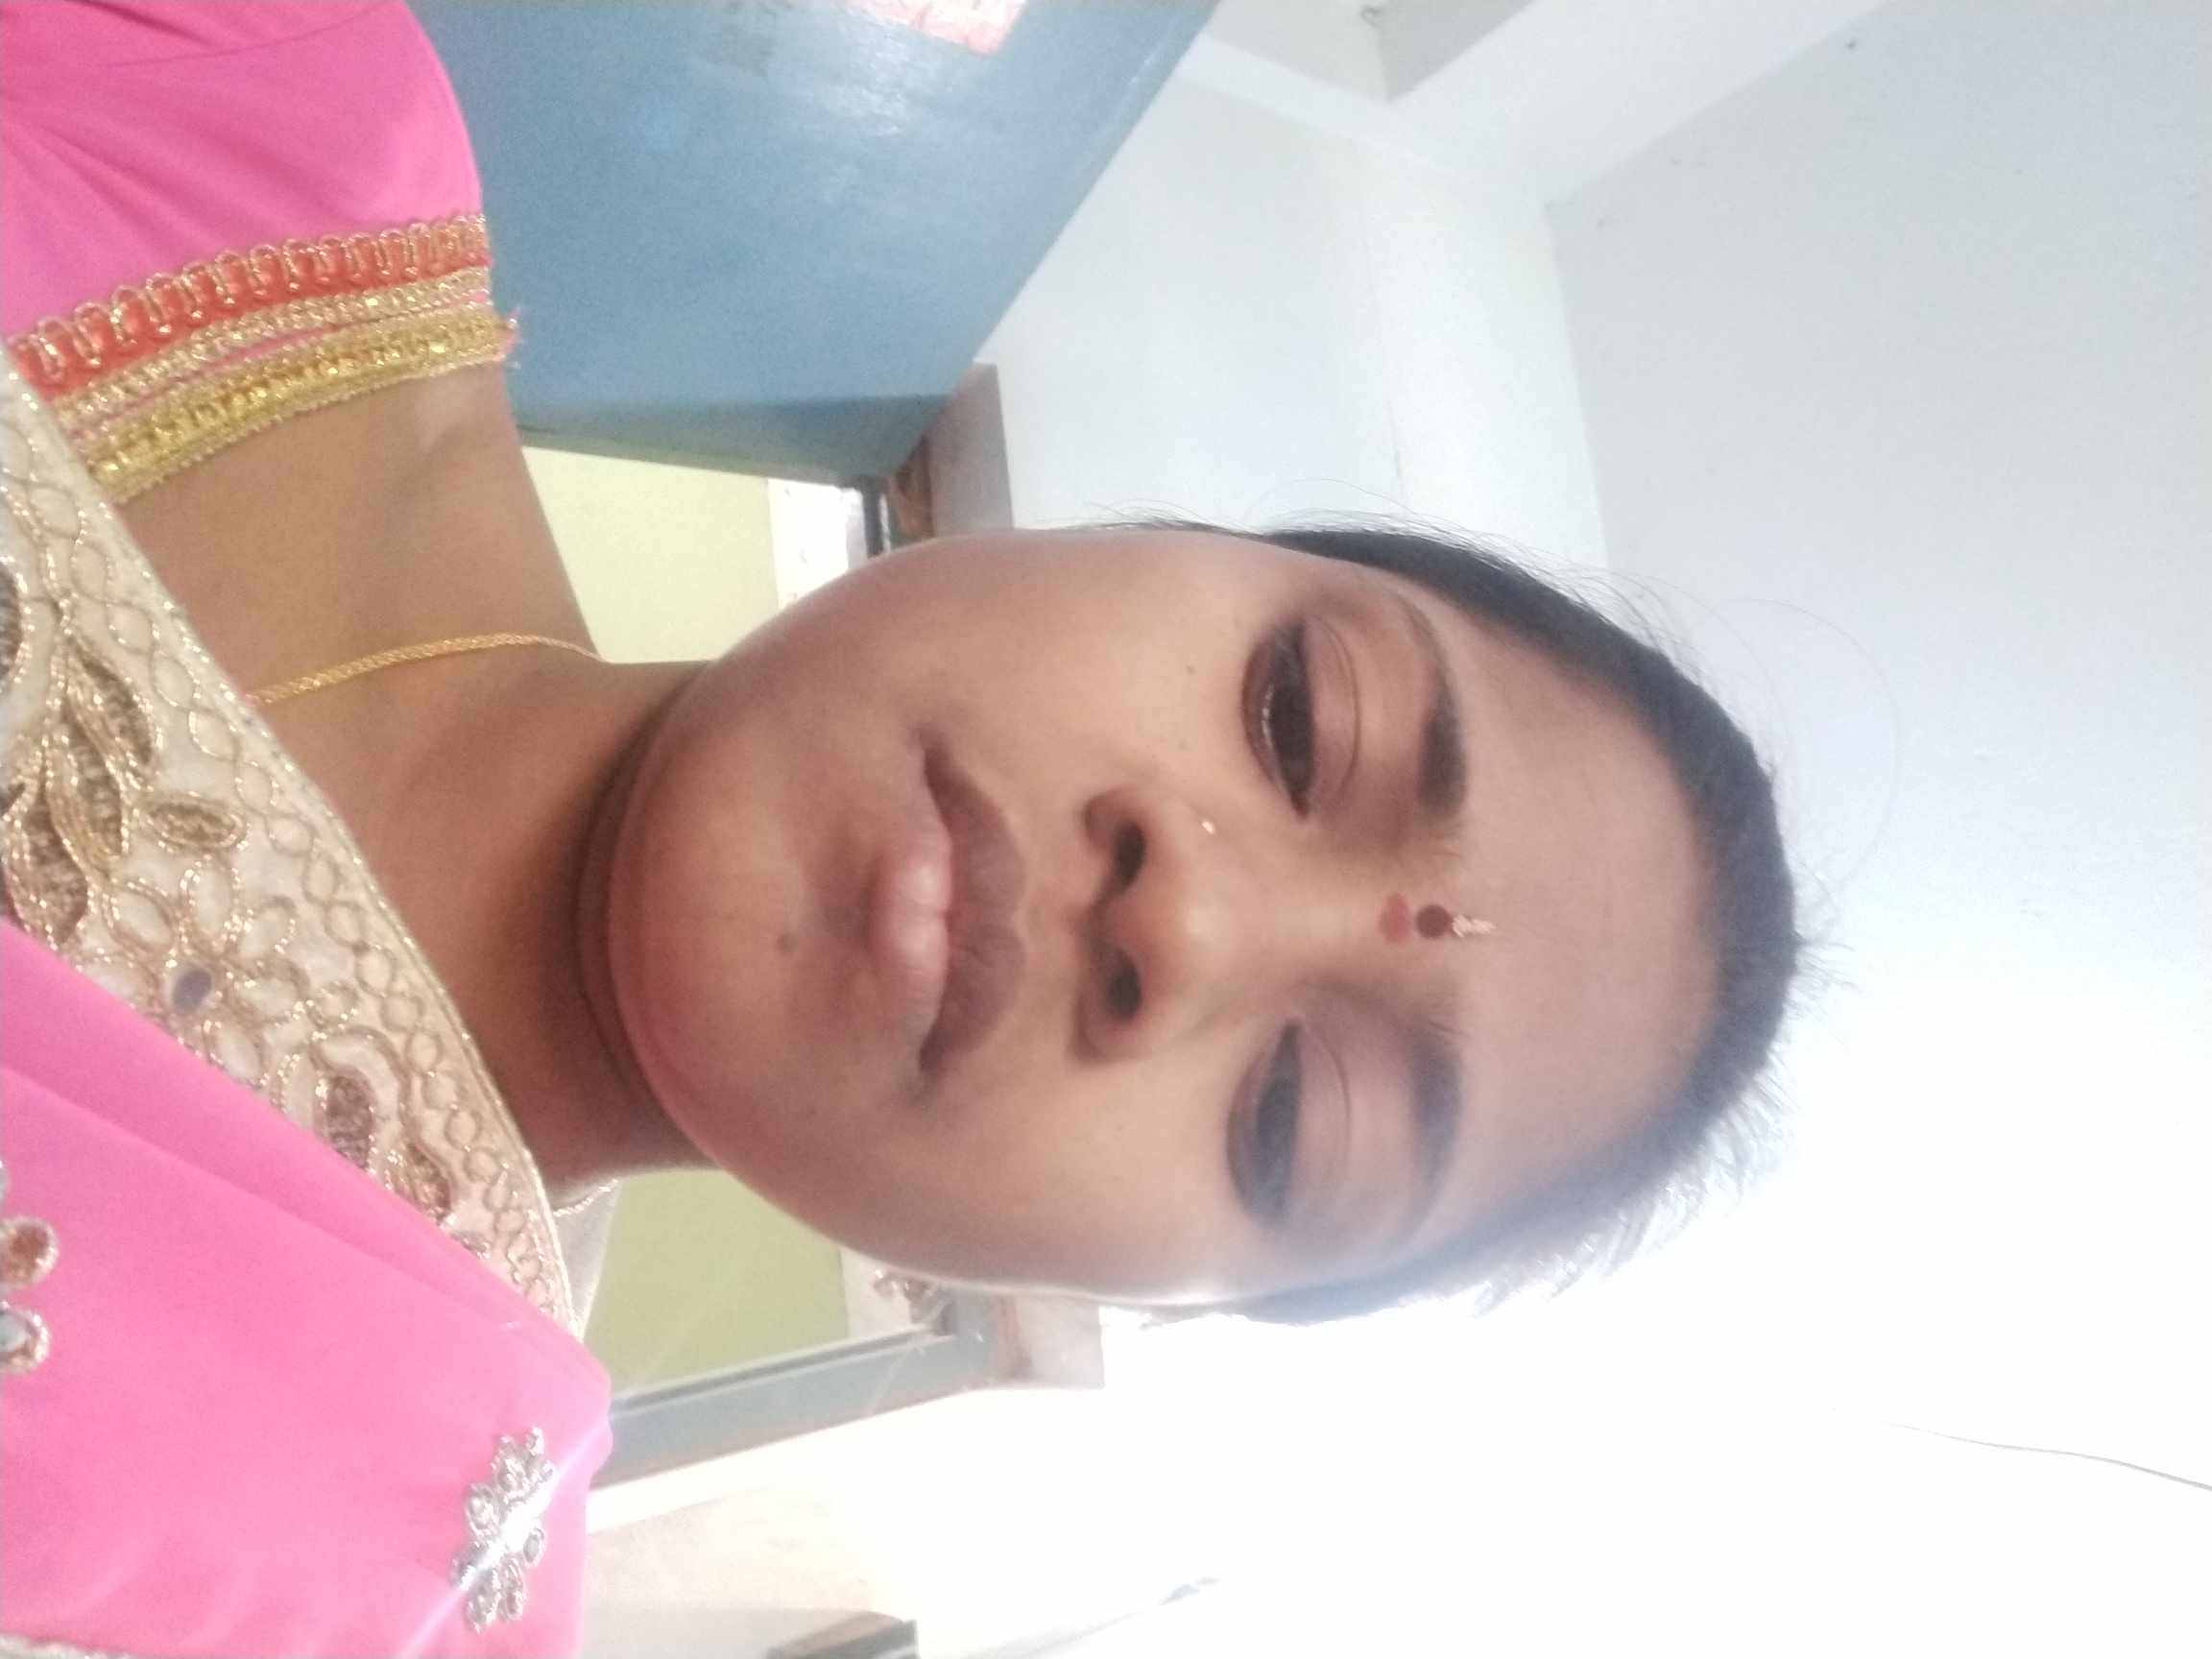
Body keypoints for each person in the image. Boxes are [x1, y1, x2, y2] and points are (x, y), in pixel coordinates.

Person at [0, 3, 1797, 1655]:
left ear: (1128, 1298)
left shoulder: (343, 1593)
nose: (1183, 927)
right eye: (1298, 719)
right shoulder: (272, 89)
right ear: (1153, 539)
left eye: (1288, 1117)